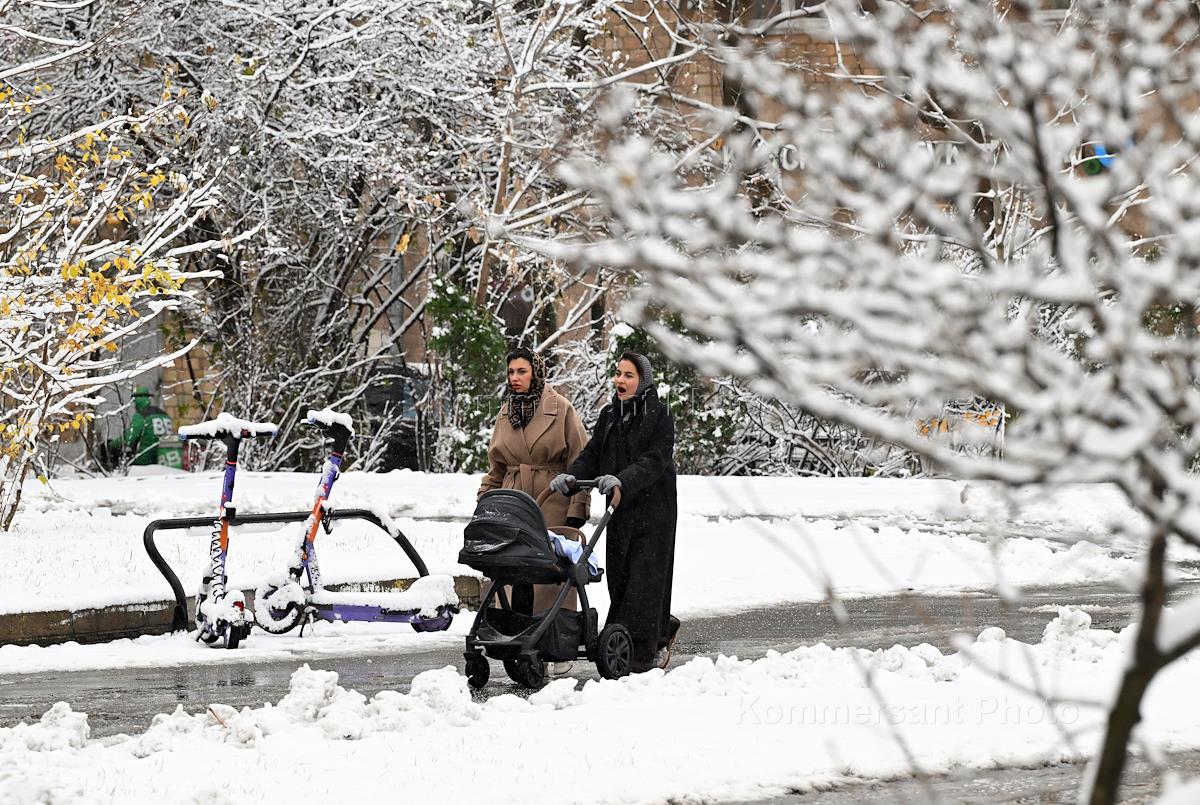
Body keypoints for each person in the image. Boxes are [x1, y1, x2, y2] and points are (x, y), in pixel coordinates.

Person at [551, 351, 680, 673]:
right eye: (618, 373)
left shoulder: (659, 415)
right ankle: (654, 630)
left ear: (643, 381)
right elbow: (592, 454)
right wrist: (572, 477)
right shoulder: (610, 415)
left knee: (644, 580)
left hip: (655, 509)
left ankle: (641, 652)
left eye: (628, 375)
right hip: (620, 508)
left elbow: (654, 460)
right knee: (620, 578)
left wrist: (623, 479)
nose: (620, 380)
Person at [478, 347, 591, 616]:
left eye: (522, 371)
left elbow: (580, 460)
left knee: (549, 573)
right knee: (512, 570)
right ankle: (513, 628)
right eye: (510, 372)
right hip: (514, 502)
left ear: (536, 373)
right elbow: (496, 468)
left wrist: (578, 506)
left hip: (552, 498)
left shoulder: (561, 408)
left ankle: (553, 630)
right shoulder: (505, 413)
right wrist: (484, 502)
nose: (514, 378)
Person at [108, 386, 183, 468]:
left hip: (145, 457)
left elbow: (129, 438)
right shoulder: (163, 414)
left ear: (137, 399)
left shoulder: (141, 415)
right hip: (164, 455)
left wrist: (112, 445)